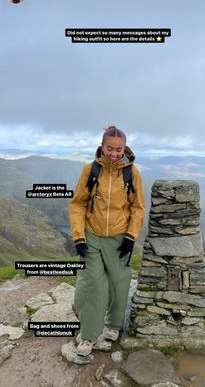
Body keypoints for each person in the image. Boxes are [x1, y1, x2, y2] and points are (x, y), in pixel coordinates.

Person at [69, 125, 145, 356]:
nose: (114, 153)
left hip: (119, 237)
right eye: (109, 148)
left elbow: (138, 207)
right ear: (102, 147)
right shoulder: (90, 170)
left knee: (120, 282)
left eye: (118, 149)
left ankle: (113, 325)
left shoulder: (132, 173)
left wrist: (131, 237)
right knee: (95, 284)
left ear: (125, 148)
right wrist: (79, 237)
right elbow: (77, 203)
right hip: (91, 236)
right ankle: (89, 336)